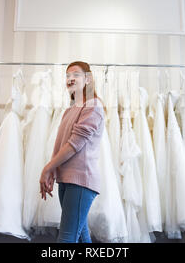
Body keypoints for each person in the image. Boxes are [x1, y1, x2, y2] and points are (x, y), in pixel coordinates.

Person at [39, 61, 105, 243]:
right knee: (81, 236)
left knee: (66, 239)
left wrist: (47, 168)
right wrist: (53, 170)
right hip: (67, 179)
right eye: (67, 76)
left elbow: (74, 144)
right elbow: (61, 145)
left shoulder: (93, 105)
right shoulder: (70, 110)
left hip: (81, 180)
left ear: (88, 79)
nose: (70, 79)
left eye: (75, 74)